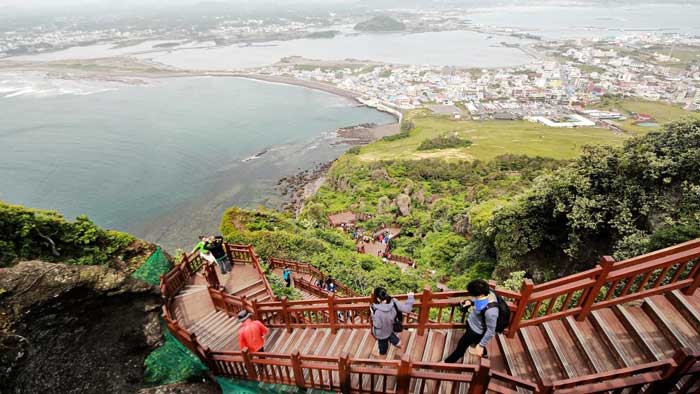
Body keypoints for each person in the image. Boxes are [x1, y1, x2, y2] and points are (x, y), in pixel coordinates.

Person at [444, 279, 498, 362]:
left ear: (479, 294)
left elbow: (491, 330)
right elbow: (479, 301)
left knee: (461, 347)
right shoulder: (488, 293)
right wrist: (470, 302)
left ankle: (447, 362)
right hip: (473, 324)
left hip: (475, 331)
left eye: (473, 295)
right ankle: (485, 354)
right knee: (477, 341)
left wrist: (481, 345)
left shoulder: (491, 312)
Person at [370, 287, 414, 356]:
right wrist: (410, 297)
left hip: (382, 334)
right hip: (391, 327)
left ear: (378, 299)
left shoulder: (377, 311)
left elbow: (378, 325)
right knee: (391, 336)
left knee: (383, 345)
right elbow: (408, 309)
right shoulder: (393, 302)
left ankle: (382, 353)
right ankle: (399, 345)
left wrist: (373, 314)